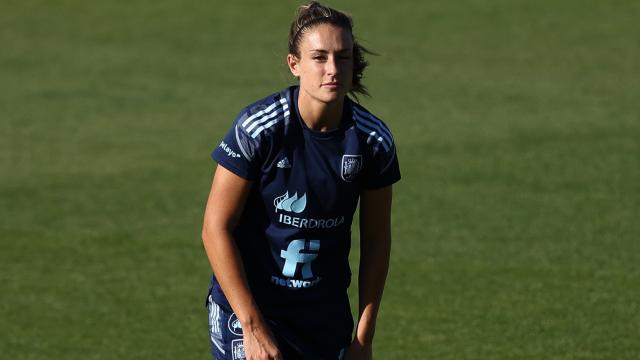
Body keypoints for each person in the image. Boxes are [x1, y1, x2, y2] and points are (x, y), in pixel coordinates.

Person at [201, 2, 400, 359]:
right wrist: (253, 327)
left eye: (343, 57)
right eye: (319, 57)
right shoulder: (258, 129)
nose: (332, 69)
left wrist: (364, 338)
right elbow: (215, 227)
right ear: (294, 64)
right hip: (250, 309)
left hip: (323, 316)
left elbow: (376, 241)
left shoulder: (372, 141)